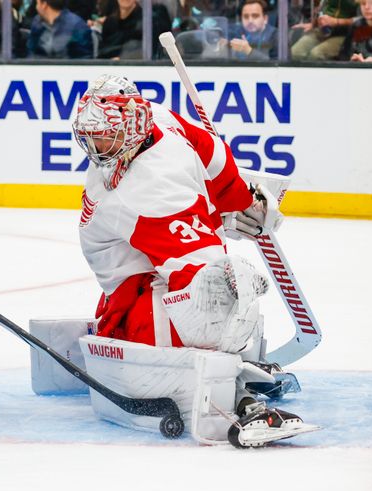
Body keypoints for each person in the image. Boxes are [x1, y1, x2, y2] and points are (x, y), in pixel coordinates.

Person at [71, 75, 309, 444]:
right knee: (221, 293)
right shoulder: (150, 188)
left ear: (137, 124)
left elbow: (211, 153)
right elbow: (204, 288)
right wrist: (228, 316)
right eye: (90, 134)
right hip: (130, 307)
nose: (95, 145)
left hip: (147, 268)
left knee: (221, 287)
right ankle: (237, 398)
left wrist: (239, 203)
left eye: (104, 133)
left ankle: (232, 366)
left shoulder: (160, 121)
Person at [290, 0, 358, 60]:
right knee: (296, 53)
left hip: (346, 34)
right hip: (323, 29)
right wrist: (314, 23)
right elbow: (322, 5)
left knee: (316, 55)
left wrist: (336, 21)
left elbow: (363, 20)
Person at [26, 0, 93, 59]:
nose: (36, 7)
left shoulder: (77, 26)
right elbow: (31, 52)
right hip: (39, 69)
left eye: (37, 3)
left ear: (44, 5)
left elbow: (84, 62)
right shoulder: (37, 22)